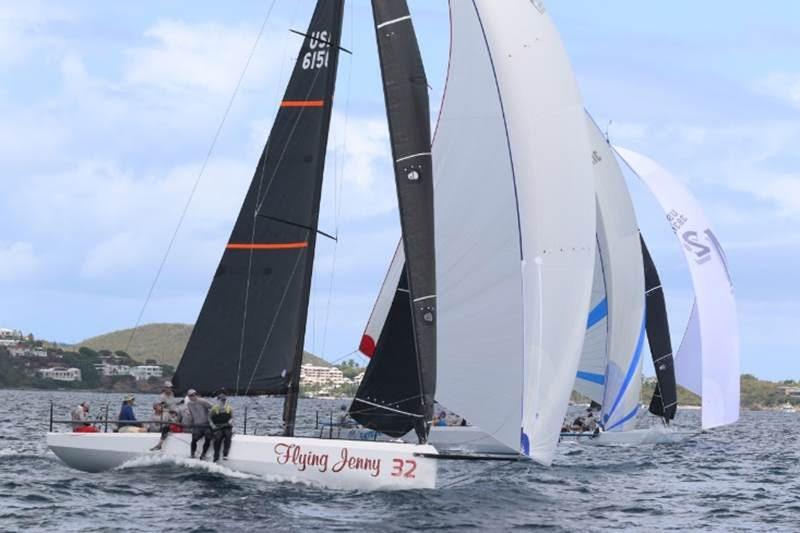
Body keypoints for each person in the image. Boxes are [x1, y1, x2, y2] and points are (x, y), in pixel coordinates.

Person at [186, 389, 213, 459]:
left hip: (206, 424)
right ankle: (192, 454)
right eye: (191, 395)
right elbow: (191, 414)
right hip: (197, 425)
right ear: (188, 396)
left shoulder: (202, 401)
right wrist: (190, 423)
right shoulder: (189, 404)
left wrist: (210, 415)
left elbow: (213, 407)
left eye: (194, 394)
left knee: (208, 437)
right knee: (194, 439)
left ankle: (203, 454)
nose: (193, 396)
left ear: (196, 394)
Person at [209, 393, 233, 462]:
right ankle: (216, 455)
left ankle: (225, 454)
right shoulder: (214, 409)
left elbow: (232, 417)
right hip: (218, 426)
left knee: (228, 436)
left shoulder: (229, 408)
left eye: (224, 400)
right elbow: (209, 417)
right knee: (217, 438)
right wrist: (212, 425)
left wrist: (230, 421)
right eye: (222, 400)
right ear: (218, 400)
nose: (223, 401)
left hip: (226, 426)